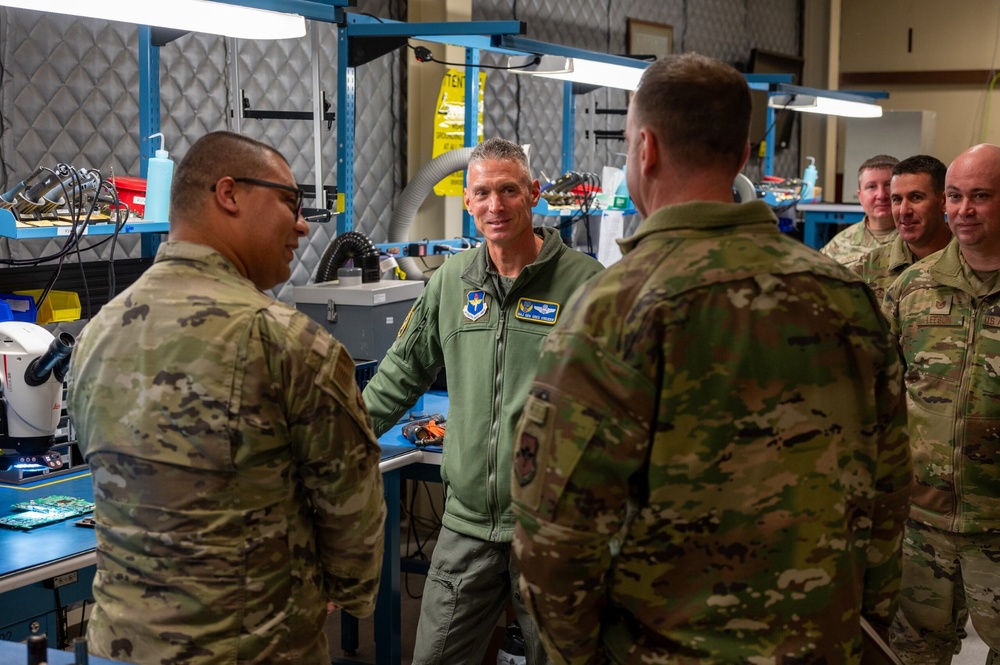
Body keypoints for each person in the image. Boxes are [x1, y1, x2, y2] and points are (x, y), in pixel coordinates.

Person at [510, 53, 913, 664]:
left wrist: (579, 656)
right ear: (743, 156)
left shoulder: (614, 306)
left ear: (644, 149)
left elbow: (556, 532)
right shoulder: (846, 295)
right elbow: (889, 495)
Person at [66, 131, 387, 665]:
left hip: (119, 647)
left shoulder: (98, 331)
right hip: (249, 648)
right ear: (230, 193)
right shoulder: (285, 340)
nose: (303, 224)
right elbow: (351, 510)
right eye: (290, 201)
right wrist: (341, 592)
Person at [362, 137, 604, 665]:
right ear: (468, 203)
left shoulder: (586, 285)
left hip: (552, 530)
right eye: (483, 193)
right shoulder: (451, 283)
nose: (496, 205)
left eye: (509, 191)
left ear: (534, 194)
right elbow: (401, 372)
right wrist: (344, 437)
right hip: (467, 524)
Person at [884, 143, 1000, 664]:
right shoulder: (912, 289)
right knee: (913, 654)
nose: (962, 210)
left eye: (981, 196)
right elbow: (879, 399)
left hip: (998, 525)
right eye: (954, 196)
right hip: (920, 525)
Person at [854, 154, 952, 302]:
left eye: (916, 197)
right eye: (897, 199)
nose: (904, 211)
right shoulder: (867, 269)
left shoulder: (974, 261)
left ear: (943, 201)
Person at [821, 154, 900, 269]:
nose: (881, 195)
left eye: (888, 185)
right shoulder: (838, 245)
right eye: (872, 187)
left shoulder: (918, 239)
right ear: (860, 196)